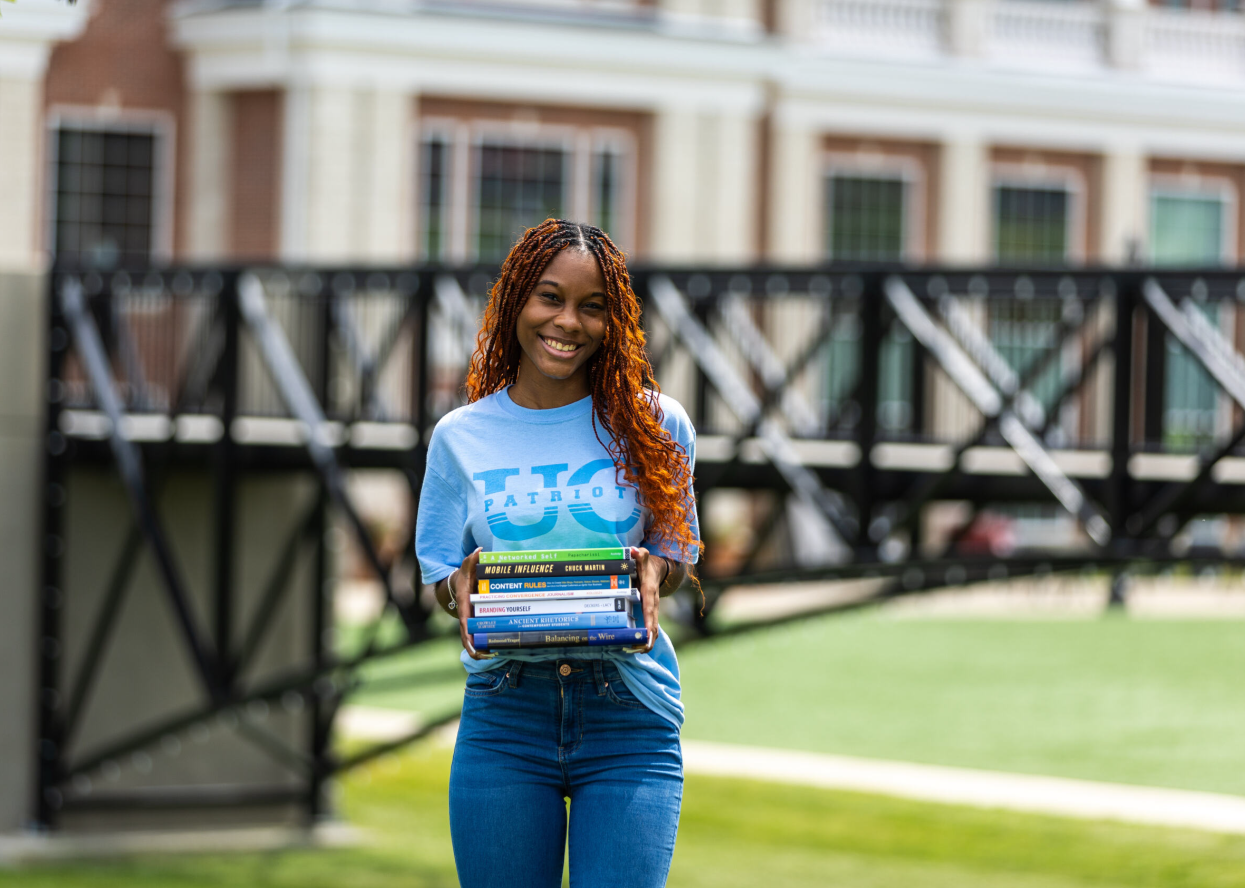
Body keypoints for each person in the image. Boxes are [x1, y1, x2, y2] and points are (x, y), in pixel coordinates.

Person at [415, 218, 701, 888]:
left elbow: (676, 550)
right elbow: (437, 572)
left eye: (591, 306)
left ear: (615, 320)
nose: (567, 322)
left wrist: (655, 571)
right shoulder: (460, 436)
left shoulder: (658, 424)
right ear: (515, 301)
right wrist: (460, 587)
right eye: (549, 298)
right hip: (504, 715)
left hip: (628, 716)